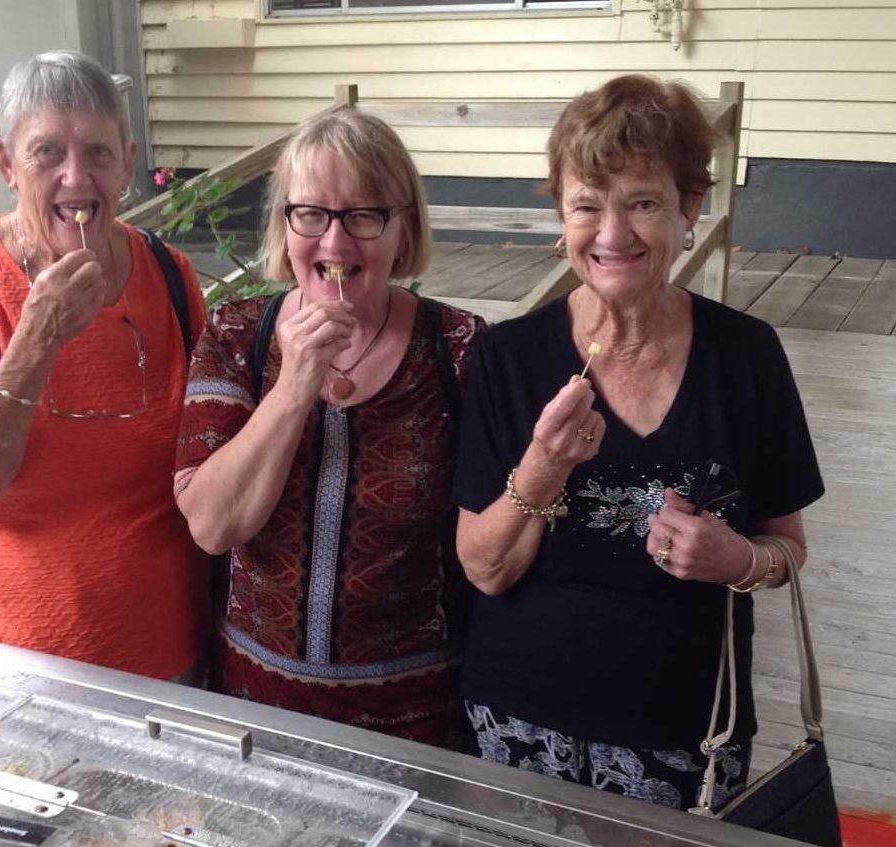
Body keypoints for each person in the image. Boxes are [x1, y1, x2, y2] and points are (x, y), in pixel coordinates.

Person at [452, 75, 824, 809]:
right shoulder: (508, 356)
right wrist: (545, 462)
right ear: (560, 215)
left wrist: (738, 558)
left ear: (690, 208)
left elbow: (786, 547)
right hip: (519, 719)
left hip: (685, 731)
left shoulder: (746, 355)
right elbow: (484, 569)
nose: (612, 234)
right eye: (587, 204)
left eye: (642, 202)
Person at [174, 109, 485, 747]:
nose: (335, 245)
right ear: (284, 226)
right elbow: (212, 525)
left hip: (418, 720)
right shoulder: (237, 336)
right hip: (256, 708)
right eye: (311, 214)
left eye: (364, 216)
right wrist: (293, 386)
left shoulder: (459, 347)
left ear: (404, 231)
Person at [0, 51, 208, 681]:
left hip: (176, 665)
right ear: (6, 165)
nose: (77, 179)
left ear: (128, 163)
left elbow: (211, 454)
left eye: (98, 153)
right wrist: (36, 342)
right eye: (47, 153)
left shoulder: (170, 276)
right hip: (15, 673)